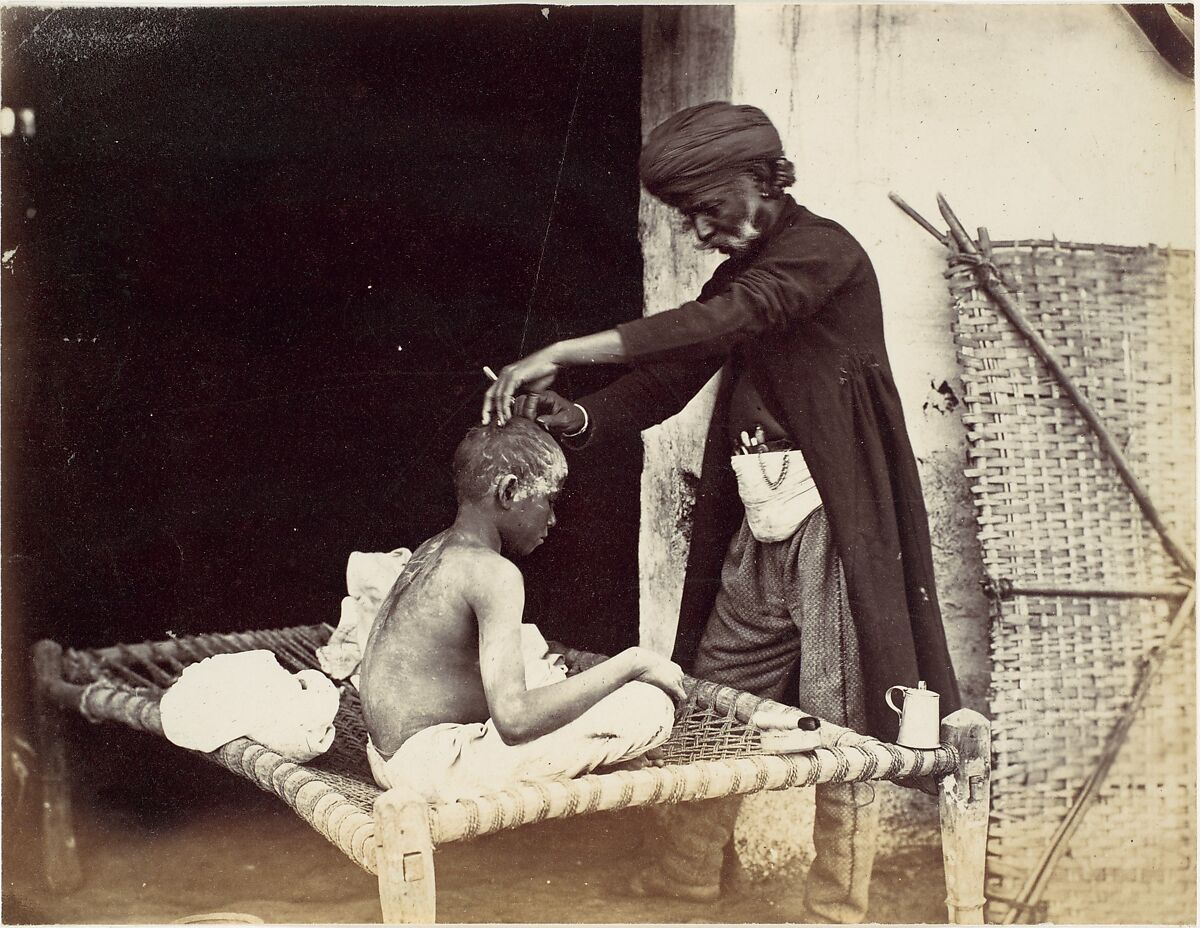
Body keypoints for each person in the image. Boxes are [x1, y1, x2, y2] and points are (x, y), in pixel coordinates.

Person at [480, 101, 962, 921]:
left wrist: (563, 349)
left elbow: (726, 319)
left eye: (708, 209)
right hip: (759, 525)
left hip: (829, 527)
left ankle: (836, 907)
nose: (701, 231)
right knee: (708, 699)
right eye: (690, 217)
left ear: (763, 180)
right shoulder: (743, 272)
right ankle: (685, 877)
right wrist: (583, 415)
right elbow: (672, 373)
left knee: (846, 724)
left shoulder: (825, 252)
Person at [359, 417, 684, 804]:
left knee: (537, 664)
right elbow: (513, 721)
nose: (552, 519)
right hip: (436, 769)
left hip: (388, 757)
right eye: (549, 500)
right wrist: (633, 663)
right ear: (509, 490)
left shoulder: (433, 548)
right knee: (649, 705)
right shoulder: (494, 573)